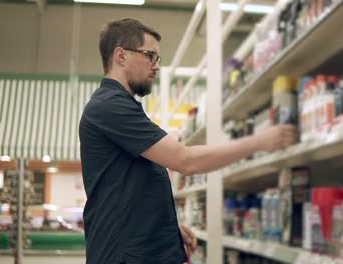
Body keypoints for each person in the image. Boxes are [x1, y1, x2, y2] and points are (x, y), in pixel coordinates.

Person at [79, 18, 298, 264]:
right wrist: (258, 142)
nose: (156, 66)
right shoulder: (110, 107)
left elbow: (130, 186)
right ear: (121, 56)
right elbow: (186, 160)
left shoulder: (120, 105)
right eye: (150, 56)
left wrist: (166, 228)